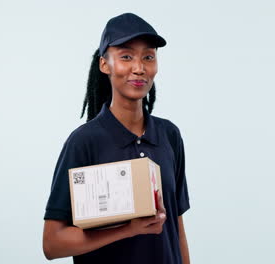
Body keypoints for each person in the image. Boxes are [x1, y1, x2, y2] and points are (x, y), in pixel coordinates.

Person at [42, 13, 191, 264]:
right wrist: (128, 229)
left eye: (148, 57)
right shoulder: (84, 142)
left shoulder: (169, 135)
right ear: (104, 64)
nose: (139, 67)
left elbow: (177, 228)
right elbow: (52, 243)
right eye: (126, 56)